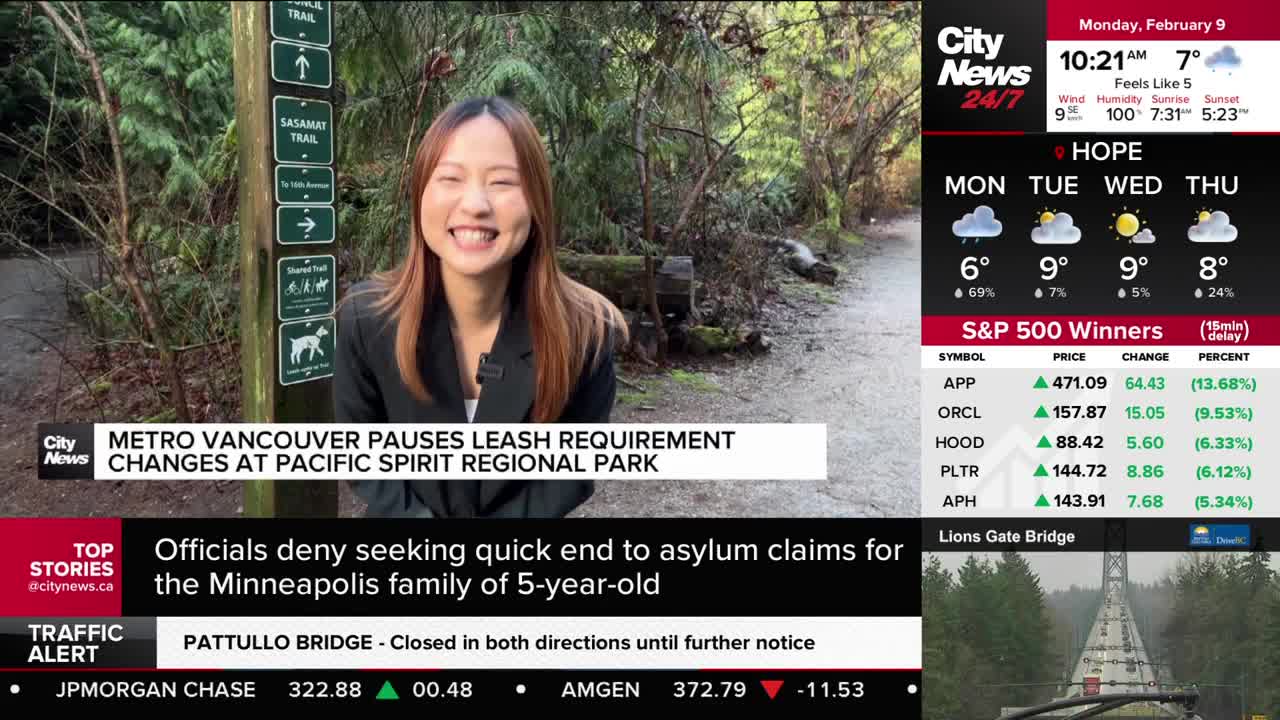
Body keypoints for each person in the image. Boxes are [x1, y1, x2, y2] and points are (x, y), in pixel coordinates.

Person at [334, 96, 628, 518]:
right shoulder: (366, 319)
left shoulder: (586, 332)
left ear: (537, 203)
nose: (475, 204)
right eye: (450, 178)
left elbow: (574, 471)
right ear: (420, 195)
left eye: (502, 182)